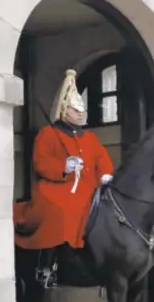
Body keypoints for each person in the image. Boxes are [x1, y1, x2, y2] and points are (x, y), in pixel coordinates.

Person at [13, 69, 115, 287]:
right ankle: (46, 267)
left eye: (82, 109)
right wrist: (64, 166)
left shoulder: (89, 137)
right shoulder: (48, 134)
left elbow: (101, 158)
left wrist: (106, 173)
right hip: (56, 187)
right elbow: (40, 162)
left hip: (87, 186)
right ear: (63, 109)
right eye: (75, 109)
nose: (80, 113)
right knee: (62, 209)